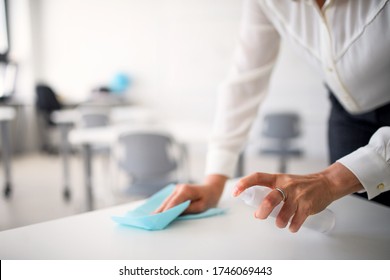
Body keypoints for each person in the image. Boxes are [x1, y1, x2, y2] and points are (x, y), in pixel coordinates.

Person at [155, 0, 390, 232]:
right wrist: (214, 182)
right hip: (346, 109)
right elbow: (244, 83)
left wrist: (331, 180)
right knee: (360, 223)